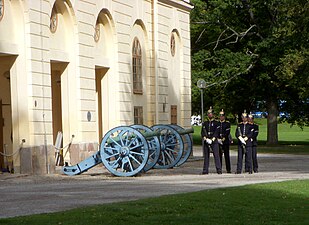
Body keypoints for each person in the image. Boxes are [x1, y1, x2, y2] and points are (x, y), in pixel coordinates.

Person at [201, 107, 222, 174]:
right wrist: (205, 138)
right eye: (208, 114)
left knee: (216, 155)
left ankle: (219, 169)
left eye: (211, 113)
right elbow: (203, 132)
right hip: (207, 140)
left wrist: (212, 139)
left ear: (213, 114)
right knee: (206, 156)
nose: (209, 115)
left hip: (214, 140)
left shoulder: (217, 123)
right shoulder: (205, 123)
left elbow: (217, 131)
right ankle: (205, 170)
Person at [218, 109, 231, 173]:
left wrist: (223, 138)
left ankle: (228, 169)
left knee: (226, 156)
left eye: (222, 116)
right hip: (219, 140)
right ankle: (219, 169)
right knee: (219, 155)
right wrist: (218, 138)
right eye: (220, 116)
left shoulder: (227, 123)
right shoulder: (218, 123)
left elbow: (227, 132)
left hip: (225, 141)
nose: (221, 117)